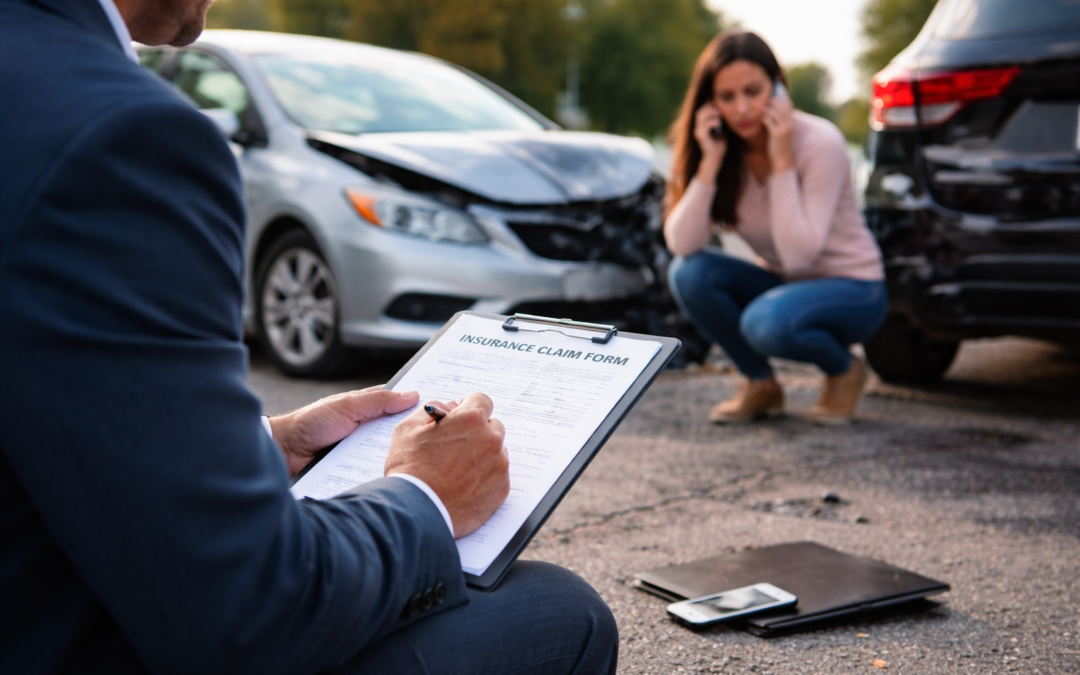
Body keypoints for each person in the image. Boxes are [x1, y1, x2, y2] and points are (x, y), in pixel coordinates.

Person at [0, 0, 618, 672]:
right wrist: (426, 496)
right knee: (559, 611)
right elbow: (248, 609)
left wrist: (270, 442)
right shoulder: (121, 132)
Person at [664, 30, 888, 426]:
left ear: (778, 87)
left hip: (855, 290)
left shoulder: (820, 142)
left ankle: (845, 369)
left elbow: (800, 255)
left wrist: (781, 157)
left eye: (753, 91)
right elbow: (682, 243)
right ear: (710, 102)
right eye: (727, 97)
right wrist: (710, 163)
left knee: (764, 322)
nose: (742, 109)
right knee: (689, 272)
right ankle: (762, 384)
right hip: (785, 287)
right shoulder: (724, 150)